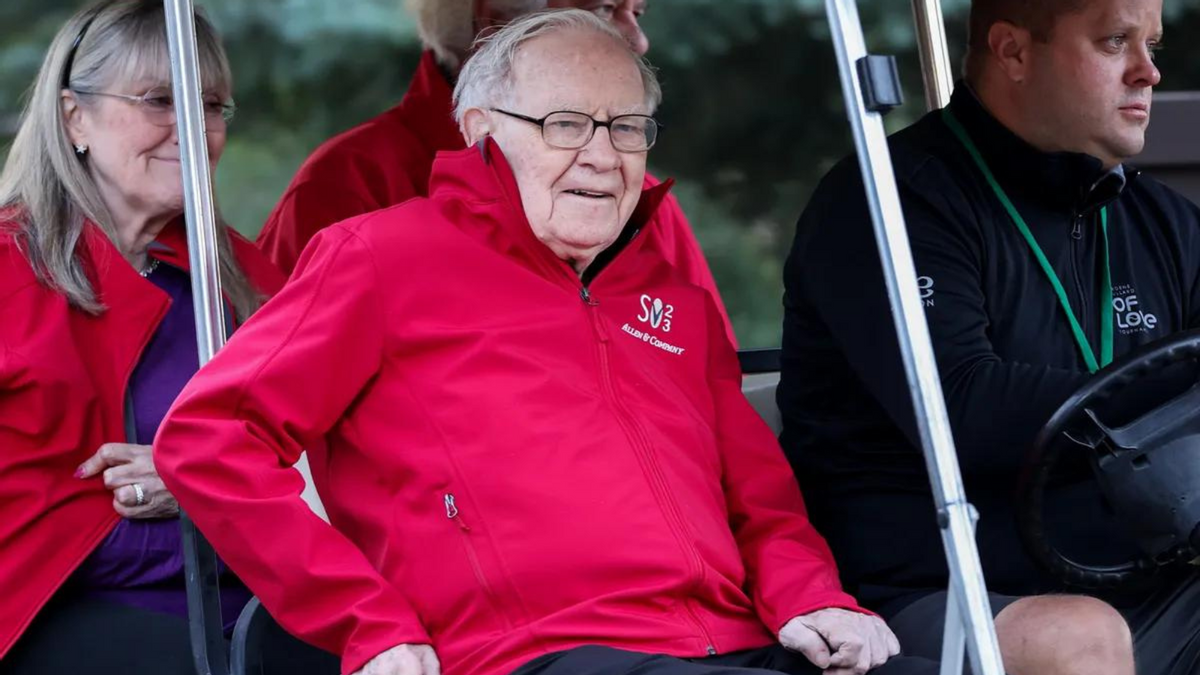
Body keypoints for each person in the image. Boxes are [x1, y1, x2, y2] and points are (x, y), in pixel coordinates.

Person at [154, 12, 939, 675]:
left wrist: (812, 592)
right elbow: (210, 437)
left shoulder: (673, 298)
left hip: (733, 642)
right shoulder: (380, 257)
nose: (601, 154)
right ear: (479, 131)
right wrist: (364, 619)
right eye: (565, 125)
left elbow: (759, 498)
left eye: (625, 127)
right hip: (534, 649)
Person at [779, 0, 1200, 673]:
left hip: (1143, 571)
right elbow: (962, 407)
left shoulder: (1162, 220)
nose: (1147, 71)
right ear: (1013, 52)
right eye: (1115, 41)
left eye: (1152, 44)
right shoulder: (892, 200)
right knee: (1080, 639)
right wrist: (1176, 378)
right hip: (925, 591)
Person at [0, 2, 336, 673]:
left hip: (256, 595)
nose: (194, 127)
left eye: (212, 106)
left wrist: (201, 475)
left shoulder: (241, 276)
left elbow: (322, 454)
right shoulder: (10, 267)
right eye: (160, 99)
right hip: (63, 603)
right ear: (75, 118)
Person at [254, 0, 735, 344]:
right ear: (494, 18)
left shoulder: (637, 198)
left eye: (639, 13)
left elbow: (716, 384)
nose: (637, 39)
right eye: (606, 9)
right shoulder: (351, 184)